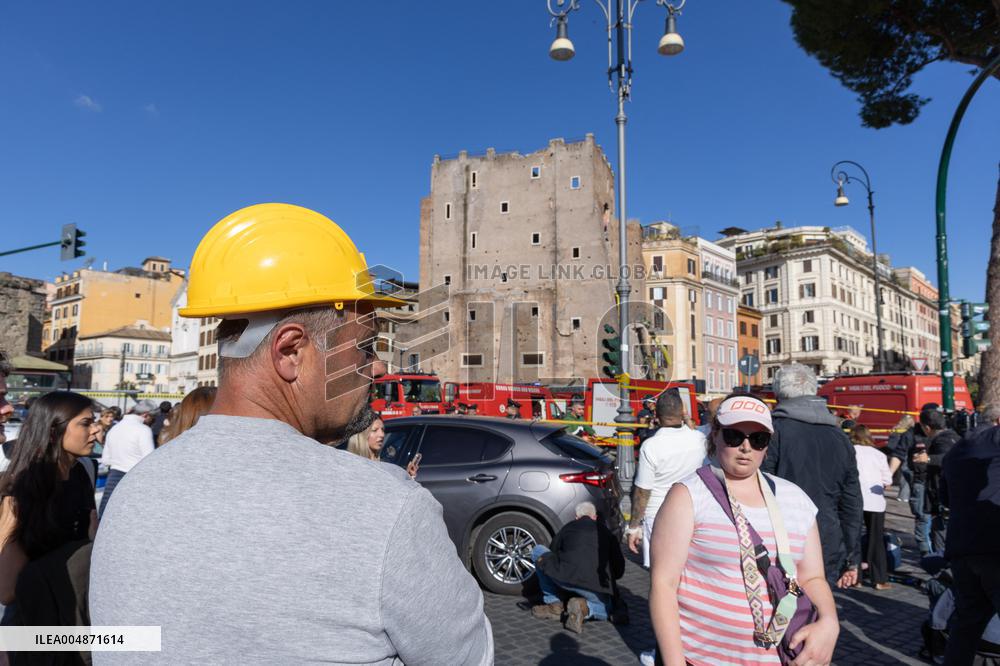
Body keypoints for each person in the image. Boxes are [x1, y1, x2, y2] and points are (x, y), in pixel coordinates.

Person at [89, 203, 493, 664]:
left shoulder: (134, 491)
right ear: (291, 351)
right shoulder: (386, 506)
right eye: (364, 345)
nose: (378, 366)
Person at [649, 394, 839, 665]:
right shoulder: (688, 495)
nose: (746, 447)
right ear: (715, 435)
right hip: (703, 658)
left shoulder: (795, 499)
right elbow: (664, 584)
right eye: (734, 436)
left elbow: (812, 578)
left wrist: (830, 621)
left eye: (758, 439)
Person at [762, 363, 863, 588]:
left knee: (784, 610)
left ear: (778, 393)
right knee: (816, 608)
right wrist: (852, 557)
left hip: (782, 542)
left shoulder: (773, 432)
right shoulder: (840, 437)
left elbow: (759, 488)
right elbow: (852, 503)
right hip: (827, 541)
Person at [0, 392, 100, 614]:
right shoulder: (22, 488)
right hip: (33, 617)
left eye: (94, 422)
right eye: (86, 423)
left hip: (73, 607)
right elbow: (6, 590)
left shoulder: (83, 471)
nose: (95, 430)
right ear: (54, 431)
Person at [941, 411, 1000, 665]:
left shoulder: (955, 451)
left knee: (966, 625)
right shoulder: (995, 440)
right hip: (995, 546)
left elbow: (945, 499)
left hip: (962, 547)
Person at [626, 388, 706, 567]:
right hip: (692, 514)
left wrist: (633, 527)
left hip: (658, 517)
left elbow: (642, 491)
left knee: (661, 572)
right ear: (683, 412)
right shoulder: (700, 439)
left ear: (656, 414)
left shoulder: (651, 446)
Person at [528, 501, 625, 634]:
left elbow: (552, 552)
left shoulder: (568, 527)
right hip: (595, 586)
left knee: (538, 551)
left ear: (576, 517)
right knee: (606, 609)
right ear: (595, 517)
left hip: (564, 578)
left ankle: (554, 602)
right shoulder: (607, 533)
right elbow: (619, 570)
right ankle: (585, 608)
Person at [97, 399, 157, 519]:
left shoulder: (114, 429)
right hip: (135, 478)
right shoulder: (143, 430)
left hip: (112, 477)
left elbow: (106, 459)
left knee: (106, 516)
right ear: (146, 415)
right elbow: (150, 461)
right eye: (153, 417)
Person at [850, 424, 893, 590]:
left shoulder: (850, 452)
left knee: (854, 539)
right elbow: (887, 481)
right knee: (876, 541)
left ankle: (856, 577)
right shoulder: (879, 455)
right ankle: (879, 579)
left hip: (854, 500)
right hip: (875, 502)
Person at [920, 408, 960, 554]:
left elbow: (947, 458)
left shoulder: (943, 439)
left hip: (942, 497)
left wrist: (928, 459)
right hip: (952, 495)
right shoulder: (955, 436)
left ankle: (943, 570)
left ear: (927, 427)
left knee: (939, 536)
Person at [886, 414, 915, 503]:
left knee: (889, 474)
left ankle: (879, 490)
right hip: (906, 454)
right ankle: (904, 496)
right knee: (905, 475)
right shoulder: (911, 431)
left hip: (897, 454)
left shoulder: (897, 430)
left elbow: (891, 445)